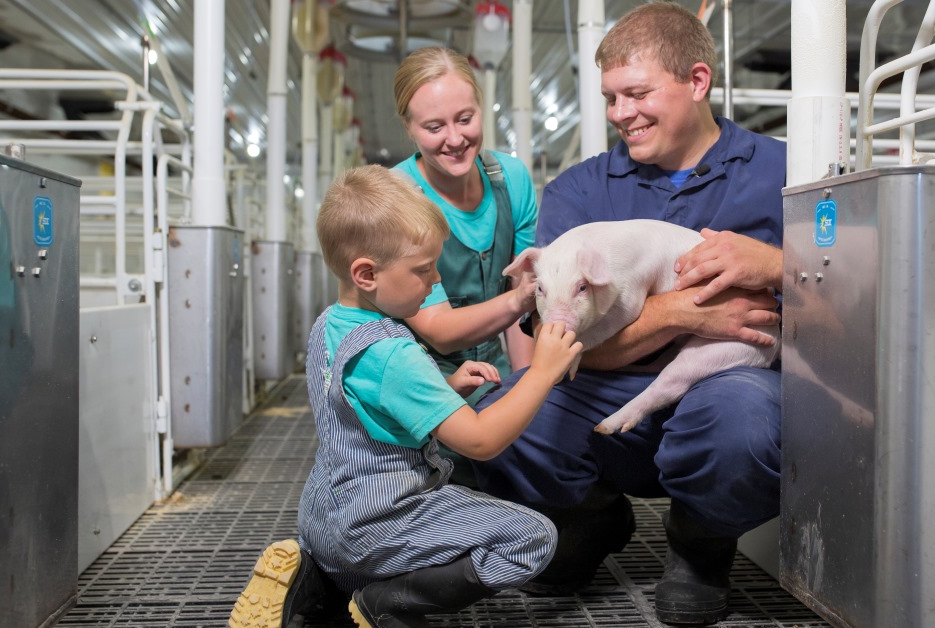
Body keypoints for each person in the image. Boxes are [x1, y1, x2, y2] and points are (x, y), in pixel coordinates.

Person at [470, 3, 785, 626]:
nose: (620, 114)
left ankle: (700, 545)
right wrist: (683, 312)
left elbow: (852, 294)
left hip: (728, 385)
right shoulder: (580, 192)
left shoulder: (781, 172)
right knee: (494, 424)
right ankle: (587, 518)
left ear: (697, 82)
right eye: (611, 97)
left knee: (748, 421)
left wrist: (775, 264)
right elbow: (560, 339)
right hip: (603, 382)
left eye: (637, 93)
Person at [228, 165, 583, 628]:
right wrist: (543, 370)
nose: (435, 280)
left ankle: (319, 580)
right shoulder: (394, 353)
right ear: (367, 273)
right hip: (378, 519)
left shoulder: (331, 324)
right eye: (423, 270)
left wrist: (446, 387)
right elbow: (480, 441)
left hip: (323, 514)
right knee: (532, 537)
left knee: (392, 537)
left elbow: (360, 402)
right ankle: (387, 601)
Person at [392, 46, 538, 401]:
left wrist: (525, 389)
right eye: (434, 126)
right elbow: (438, 329)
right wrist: (520, 299)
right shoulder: (397, 197)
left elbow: (521, 314)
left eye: (465, 118)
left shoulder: (511, 178)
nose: (455, 139)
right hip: (421, 382)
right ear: (409, 129)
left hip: (493, 372)